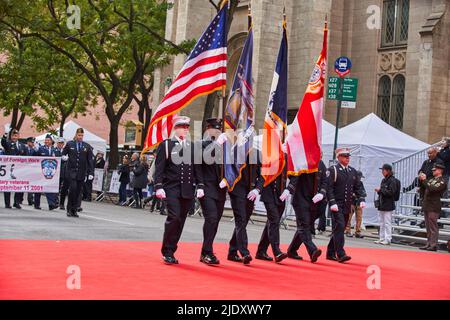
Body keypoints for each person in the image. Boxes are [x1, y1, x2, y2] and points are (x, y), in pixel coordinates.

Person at [155, 116, 203, 264]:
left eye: (187, 127)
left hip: (187, 189)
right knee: (174, 217)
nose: (185, 129)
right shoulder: (167, 145)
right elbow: (160, 167)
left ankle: (172, 249)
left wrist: (200, 185)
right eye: (182, 126)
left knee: (181, 221)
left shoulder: (192, 147)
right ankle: (167, 250)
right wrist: (158, 186)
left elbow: (197, 168)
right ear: (176, 128)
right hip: (171, 188)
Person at [225, 148, 264, 265]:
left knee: (243, 221)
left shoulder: (257, 153)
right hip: (237, 191)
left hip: (250, 192)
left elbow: (262, 174)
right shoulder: (235, 151)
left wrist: (257, 189)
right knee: (241, 220)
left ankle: (232, 252)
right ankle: (245, 252)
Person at [326, 148, 366, 263]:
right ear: (338, 157)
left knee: (340, 228)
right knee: (340, 226)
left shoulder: (352, 171)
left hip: (347, 205)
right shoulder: (333, 170)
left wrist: (361, 198)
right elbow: (329, 188)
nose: (347, 158)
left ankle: (330, 252)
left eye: (348, 156)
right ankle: (341, 253)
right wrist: (332, 202)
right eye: (344, 156)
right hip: (336, 204)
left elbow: (358, 186)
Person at [197, 118, 227, 265]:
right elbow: (204, 159)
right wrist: (217, 144)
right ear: (207, 130)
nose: (217, 131)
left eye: (219, 129)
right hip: (207, 188)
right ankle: (207, 251)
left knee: (216, 221)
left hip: (220, 189)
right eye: (214, 129)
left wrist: (227, 179)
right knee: (212, 218)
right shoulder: (201, 145)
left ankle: (205, 251)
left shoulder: (224, 147)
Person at [285, 159, 327, 263]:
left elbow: (325, 181)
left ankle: (292, 250)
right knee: (304, 225)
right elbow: (292, 176)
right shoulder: (301, 160)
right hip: (300, 199)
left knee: (304, 225)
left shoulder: (320, 163)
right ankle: (312, 250)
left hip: (313, 200)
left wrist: (322, 192)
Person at [255, 156, 291, 263]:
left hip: (281, 194)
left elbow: (295, 175)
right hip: (268, 193)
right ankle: (277, 251)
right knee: (274, 221)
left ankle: (261, 251)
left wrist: (289, 189)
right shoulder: (267, 156)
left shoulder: (287, 157)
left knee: (271, 223)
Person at [61, 128, 94, 217]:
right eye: (79, 135)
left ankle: (74, 209)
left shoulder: (86, 146)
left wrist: (91, 173)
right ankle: (69, 209)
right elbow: (63, 154)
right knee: (73, 189)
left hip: (81, 172)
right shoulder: (70, 144)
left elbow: (90, 160)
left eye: (82, 135)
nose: (80, 137)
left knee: (78, 191)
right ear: (76, 135)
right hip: (71, 171)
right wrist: (64, 157)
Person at [419, 163, 447, 251]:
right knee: (428, 226)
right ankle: (429, 243)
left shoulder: (442, 181)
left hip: (434, 206)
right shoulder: (431, 179)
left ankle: (433, 244)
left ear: (439, 171)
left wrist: (425, 180)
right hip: (427, 205)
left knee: (433, 226)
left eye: (434, 170)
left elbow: (432, 189)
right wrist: (421, 180)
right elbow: (425, 187)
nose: (433, 171)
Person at [1, 129, 27, 209]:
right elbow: (3, 143)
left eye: (16, 135)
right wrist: (5, 134)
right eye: (13, 135)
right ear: (11, 136)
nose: (14, 137)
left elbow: (26, 157)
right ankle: (7, 203)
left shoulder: (23, 145)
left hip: (19, 169)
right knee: (8, 186)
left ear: (18, 136)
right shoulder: (8, 144)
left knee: (19, 185)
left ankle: (16, 202)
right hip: (9, 168)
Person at [374, 164, 399, 245]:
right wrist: (380, 191)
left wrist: (380, 190)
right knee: (381, 222)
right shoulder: (384, 180)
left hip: (388, 204)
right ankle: (381, 238)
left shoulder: (392, 180)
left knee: (387, 222)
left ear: (388, 171)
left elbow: (391, 192)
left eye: (383, 170)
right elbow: (384, 192)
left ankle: (388, 238)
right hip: (382, 203)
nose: (382, 172)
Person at [33, 134, 59, 211]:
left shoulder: (55, 150)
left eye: (48, 140)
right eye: (46, 140)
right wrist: (36, 150)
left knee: (49, 187)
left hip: (51, 172)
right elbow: (34, 157)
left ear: (52, 141)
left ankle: (51, 204)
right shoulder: (41, 149)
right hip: (40, 171)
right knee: (39, 188)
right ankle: (36, 204)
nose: (46, 141)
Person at [345, 171, 366, 238]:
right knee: (349, 217)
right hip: (352, 202)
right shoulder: (351, 183)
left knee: (359, 218)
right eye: (359, 177)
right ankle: (348, 231)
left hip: (359, 202)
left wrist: (362, 195)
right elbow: (348, 191)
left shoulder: (361, 183)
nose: (359, 178)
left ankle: (358, 232)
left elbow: (363, 192)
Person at [25, 137, 37, 206]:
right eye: (31, 142)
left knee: (31, 184)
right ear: (28, 142)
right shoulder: (24, 148)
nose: (32, 144)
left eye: (33, 142)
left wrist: (36, 149)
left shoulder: (34, 150)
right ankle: (19, 199)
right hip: (24, 169)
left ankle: (30, 199)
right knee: (23, 184)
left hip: (32, 169)